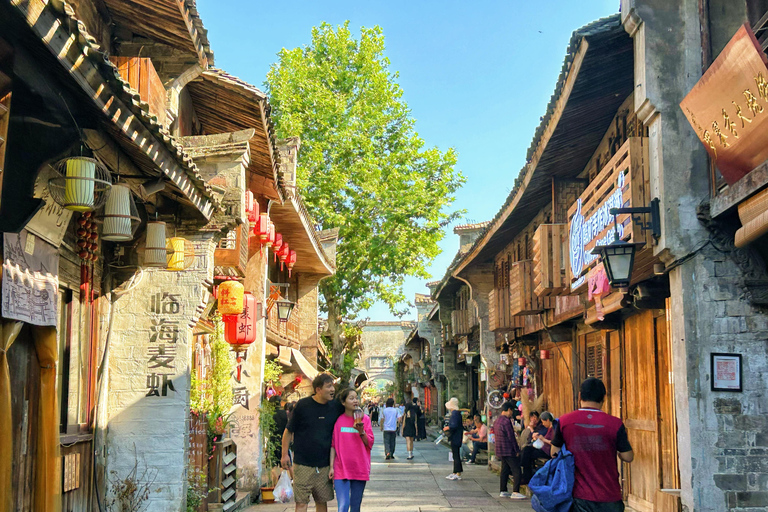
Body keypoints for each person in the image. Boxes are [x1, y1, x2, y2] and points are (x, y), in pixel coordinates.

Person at [551, 378, 634, 512]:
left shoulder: (564, 422)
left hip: (579, 496)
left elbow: (554, 453)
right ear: (603, 398)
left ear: (580, 396)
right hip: (610, 496)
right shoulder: (615, 424)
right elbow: (628, 456)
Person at [281, 373, 344, 512]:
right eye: (328, 386)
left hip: (325, 465)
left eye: (333, 386)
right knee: (301, 503)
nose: (332, 389)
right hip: (302, 464)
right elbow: (288, 431)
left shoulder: (335, 406)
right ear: (318, 389)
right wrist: (284, 454)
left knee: (322, 502)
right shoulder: (303, 405)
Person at [330, 389, 374, 512]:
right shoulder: (338, 421)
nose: (355, 401)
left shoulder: (364, 419)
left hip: (359, 468)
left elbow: (369, 443)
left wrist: (361, 432)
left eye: (356, 398)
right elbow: (333, 445)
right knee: (343, 506)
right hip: (341, 468)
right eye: (351, 398)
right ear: (343, 402)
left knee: (355, 507)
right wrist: (331, 467)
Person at [494, 402, 526, 500]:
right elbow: (511, 437)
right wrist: (516, 449)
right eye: (511, 411)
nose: (511, 413)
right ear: (508, 410)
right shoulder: (506, 421)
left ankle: (503, 490)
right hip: (508, 449)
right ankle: (515, 491)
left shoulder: (497, 421)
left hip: (500, 449)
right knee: (516, 470)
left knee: (505, 470)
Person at [521, 410, 554, 484]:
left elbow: (553, 442)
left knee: (527, 454)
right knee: (526, 450)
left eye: (543, 422)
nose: (543, 424)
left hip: (547, 451)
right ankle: (525, 472)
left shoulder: (553, 429)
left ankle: (525, 473)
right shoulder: (548, 428)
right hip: (542, 448)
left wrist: (543, 439)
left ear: (548, 420)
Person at [443, 397, 463, 480]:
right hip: (457, 437)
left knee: (456, 455)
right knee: (456, 455)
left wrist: (448, 428)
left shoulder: (455, 414)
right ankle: (456, 471)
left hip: (455, 437)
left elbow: (454, 425)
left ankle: (457, 473)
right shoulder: (457, 413)